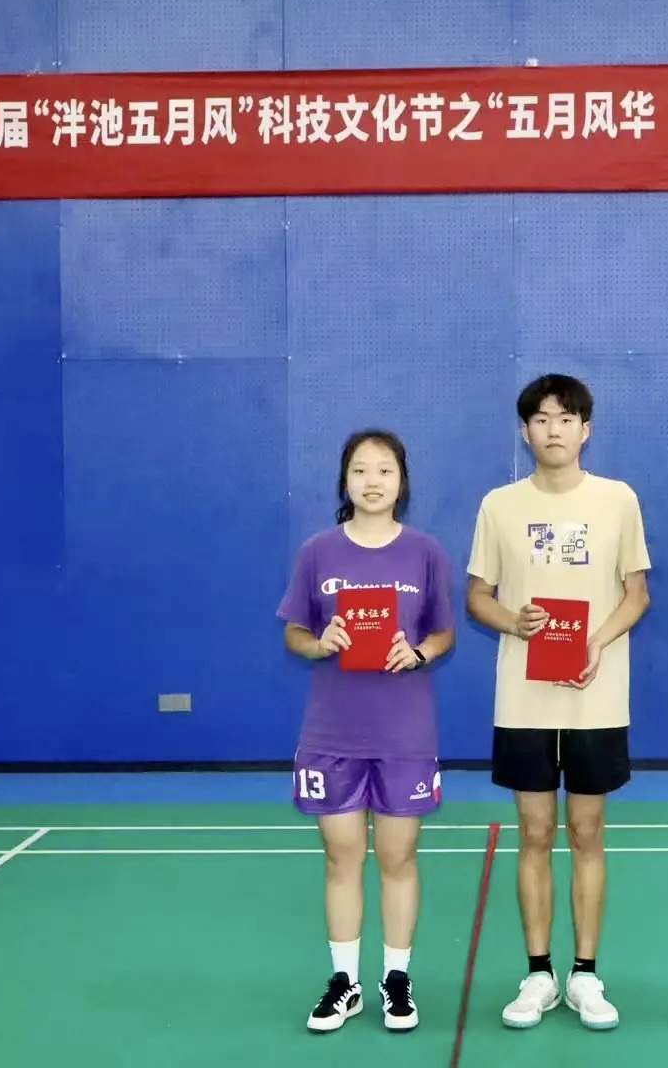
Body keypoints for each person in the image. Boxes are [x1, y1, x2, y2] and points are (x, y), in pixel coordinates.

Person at [464, 373, 652, 1031]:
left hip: (595, 698)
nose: (553, 429)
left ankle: (586, 975)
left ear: (585, 430)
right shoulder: (499, 505)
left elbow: (636, 594)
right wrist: (513, 622)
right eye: (541, 419)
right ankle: (539, 973)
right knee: (535, 833)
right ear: (526, 431)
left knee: (588, 831)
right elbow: (478, 595)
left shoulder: (618, 499)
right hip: (525, 700)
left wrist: (595, 643)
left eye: (566, 418)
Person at [277, 429, 457, 1034]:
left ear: (401, 481)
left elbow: (443, 632)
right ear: (344, 480)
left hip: (405, 735)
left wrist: (421, 652)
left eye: (384, 469)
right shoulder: (317, 553)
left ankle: (396, 979)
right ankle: (345, 982)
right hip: (332, 734)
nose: (372, 480)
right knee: (342, 856)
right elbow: (294, 633)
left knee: (399, 857)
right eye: (360, 470)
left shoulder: (425, 553)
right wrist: (319, 642)